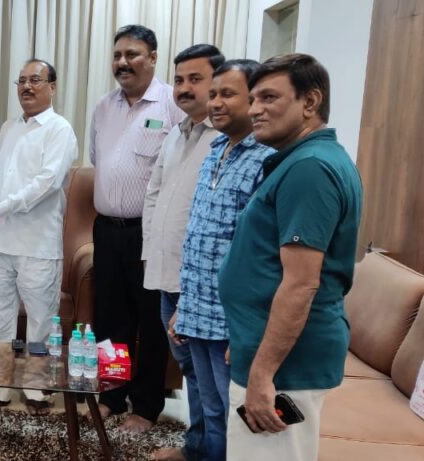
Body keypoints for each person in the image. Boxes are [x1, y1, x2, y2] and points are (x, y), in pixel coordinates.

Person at [220, 53, 362, 461]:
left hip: (287, 367)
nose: (254, 110)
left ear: (310, 102)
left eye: (269, 98)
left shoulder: (310, 169)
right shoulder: (301, 161)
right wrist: (245, 338)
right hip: (269, 348)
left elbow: (301, 283)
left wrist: (262, 372)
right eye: (252, 99)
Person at [174, 59, 273, 461]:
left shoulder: (267, 159)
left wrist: (244, 327)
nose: (215, 103)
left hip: (230, 318)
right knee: (209, 406)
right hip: (197, 308)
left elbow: (259, 253)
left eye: (227, 94)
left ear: (254, 100)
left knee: (234, 414)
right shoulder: (216, 149)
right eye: (213, 94)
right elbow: (198, 237)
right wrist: (183, 304)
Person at [0, 59, 77, 416]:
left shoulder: (60, 129)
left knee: (41, 320)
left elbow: (48, 182)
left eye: (35, 80)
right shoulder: (9, 127)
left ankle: (37, 389)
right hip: (0, 240)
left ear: (52, 87)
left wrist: (1, 208)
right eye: (21, 81)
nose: (27, 87)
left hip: (37, 243)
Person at [90, 24, 184, 431]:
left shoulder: (172, 104)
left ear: (153, 57)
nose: (123, 62)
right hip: (107, 230)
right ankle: (111, 394)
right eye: (117, 55)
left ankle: (146, 406)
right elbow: (99, 161)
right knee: (110, 319)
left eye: (132, 54)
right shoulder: (103, 107)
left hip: (150, 233)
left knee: (151, 321)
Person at [142, 44, 224, 460]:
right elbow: (154, 194)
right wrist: (150, 251)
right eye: (179, 80)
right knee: (191, 369)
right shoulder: (176, 133)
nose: (184, 88)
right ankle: (196, 446)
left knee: (214, 382)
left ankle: (211, 451)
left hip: (202, 284)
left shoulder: (226, 139)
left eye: (196, 79)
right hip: (167, 274)